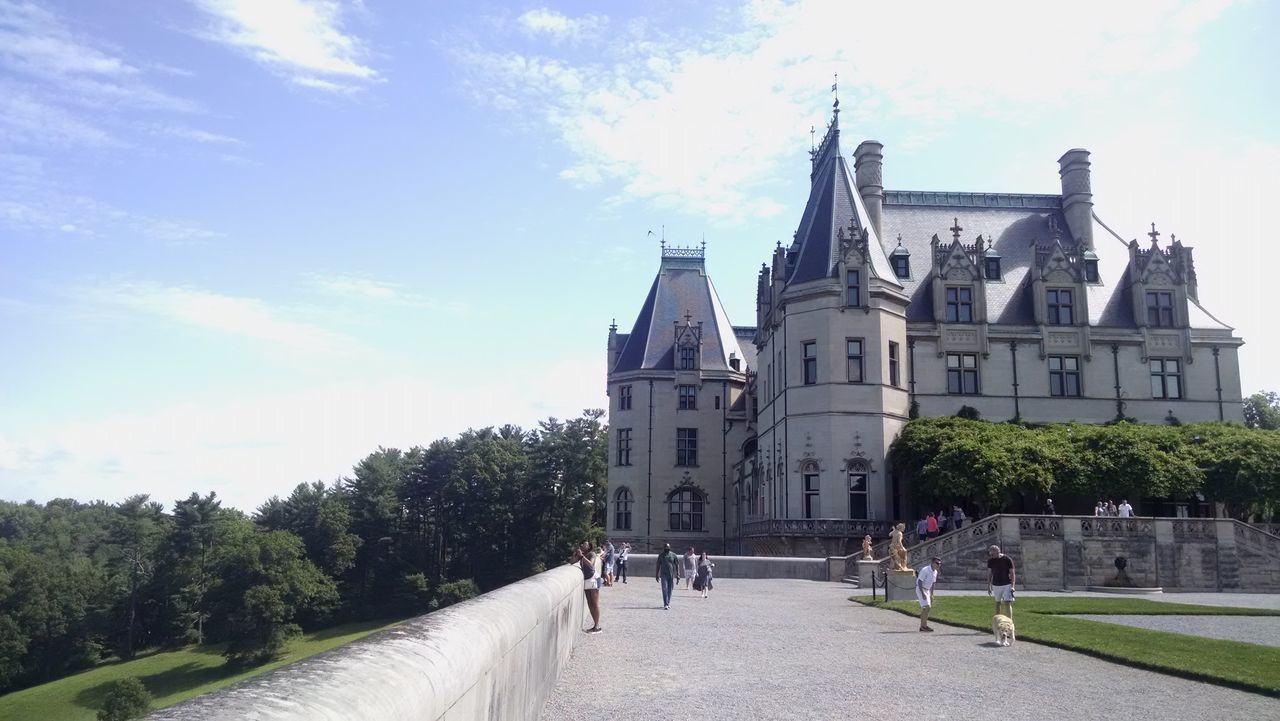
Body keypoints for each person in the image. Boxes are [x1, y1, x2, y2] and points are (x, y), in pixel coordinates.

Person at [571, 541, 602, 633]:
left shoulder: (592, 554)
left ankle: (597, 626)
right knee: (589, 603)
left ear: (589, 546)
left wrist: (582, 557)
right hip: (587, 580)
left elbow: (591, 565)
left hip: (593, 579)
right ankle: (594, 626)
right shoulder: (582, 555)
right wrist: (575, 554)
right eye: (582, 544)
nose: (582, 545)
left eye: (585, 544)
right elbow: (571, 562)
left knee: (594, 604)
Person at [987, 544, 1015, 620]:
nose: (992, 556)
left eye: (993, 554)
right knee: (998, 603)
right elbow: (989, 573)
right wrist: (988, 586)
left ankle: (1009, 621)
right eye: (991, 554)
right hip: (996, 584)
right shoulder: (991, 561)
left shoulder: (1007, 559)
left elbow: (1012, 573)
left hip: (1006, 584)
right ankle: (997, 621)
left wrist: (1012, 586)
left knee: (1007, 602)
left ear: (998, 552)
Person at [917, 556, 942, 632]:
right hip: (921, 589)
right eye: (937, 563)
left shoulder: (935, 572)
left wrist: (931, 594)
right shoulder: (925, 570)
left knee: (928, 608)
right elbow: (919, 582)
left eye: (939, 563)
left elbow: (933, 584)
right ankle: (923, 626)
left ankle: (924, 625)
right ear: (932, 563)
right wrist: (923, 593)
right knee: (926, 607)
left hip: (927, 590)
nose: (938, 565)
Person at [656, 543, 680, 609]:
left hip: (671, 575)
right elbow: (658, 565)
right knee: (664, 589)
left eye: (668, 548)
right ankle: (665, 604)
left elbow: (677, 565)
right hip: (663, 575)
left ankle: (668, 602)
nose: (666, 549)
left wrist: (678, 575)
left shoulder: (673, 555)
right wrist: (657, 575)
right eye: (665, 548)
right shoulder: (661, 555)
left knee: (670, 589)